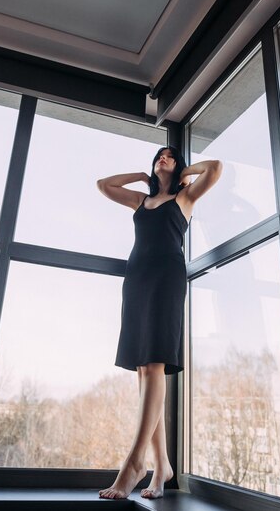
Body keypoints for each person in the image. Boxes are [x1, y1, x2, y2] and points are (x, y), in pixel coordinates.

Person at [97, 146, 222, 500]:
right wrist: (140, 175)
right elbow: (104, 185)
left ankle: (135, 462)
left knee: (154, 366)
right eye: (159, 156)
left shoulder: (185, 198)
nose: (162, 158)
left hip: (167, 280)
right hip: (136, 280)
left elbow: (214, 168)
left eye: (169, 155)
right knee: (143, 371)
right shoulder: (141, 200)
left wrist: (184, 173)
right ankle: (162, 466)